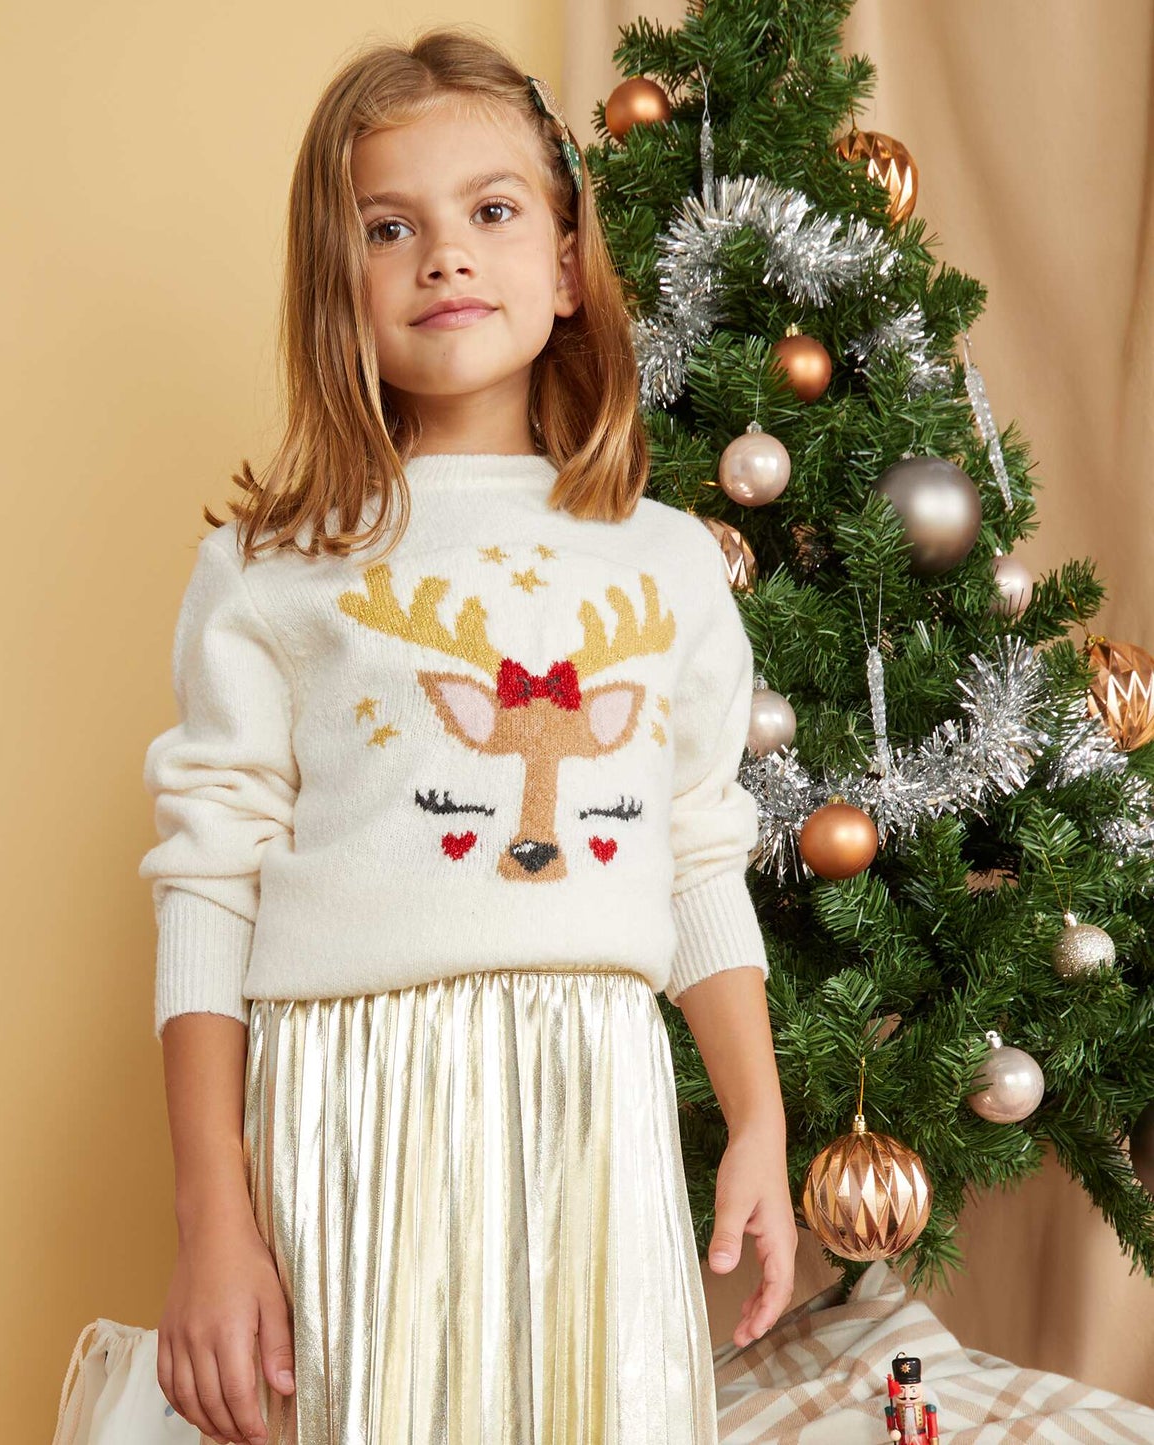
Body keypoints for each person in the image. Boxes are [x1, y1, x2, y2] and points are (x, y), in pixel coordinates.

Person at [138, 25, 796, 1445]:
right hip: (350, 1111)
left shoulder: (667, 559)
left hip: (594, 1111)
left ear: (564, 266)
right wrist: (212, 1217)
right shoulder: (270, 569)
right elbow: (208, 880)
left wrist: (757, 1118)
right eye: (389, 229)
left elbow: (695, 850)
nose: (444, 257)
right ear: (339, 287)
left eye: (491, 212)